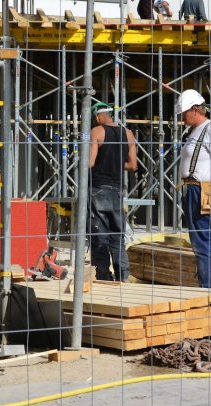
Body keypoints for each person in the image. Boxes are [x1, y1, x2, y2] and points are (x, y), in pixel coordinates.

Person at [176, 89, 211, 288]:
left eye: (184, 113)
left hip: (207, 189)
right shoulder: (195, 131)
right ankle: (206, 285)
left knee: (205, 239)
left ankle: (210, 287)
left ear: (195, 110)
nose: (182, 117)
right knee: (199, 240)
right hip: (194, 189)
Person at [89, 102, 138, 282]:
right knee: (118, 236)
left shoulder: (97, 131)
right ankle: (123, 276)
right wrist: (116, 165)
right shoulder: (129, 134)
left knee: (99, 236)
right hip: (117, 191)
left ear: (97, 117)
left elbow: (90, 163)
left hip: (98, 189)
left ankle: (103, 276)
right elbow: (133, 165)